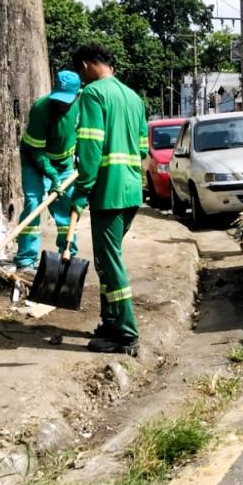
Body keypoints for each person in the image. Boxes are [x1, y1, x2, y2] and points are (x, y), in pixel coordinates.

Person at [70, 43, 150, 355]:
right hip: (131, 190)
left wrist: (82, 191)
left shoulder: (92, 94)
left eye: (80, 71)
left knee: (109, 261)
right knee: (108, 258)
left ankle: (126, 334)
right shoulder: (133, 97)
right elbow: (142, 147)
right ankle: (111, 321)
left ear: (87, 65)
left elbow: (90, 147)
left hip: (108, 192)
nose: (81, 78)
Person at [13, 70, 81, 275]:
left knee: (67, 207)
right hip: (35, 161)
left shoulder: (83, 104)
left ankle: (67, 255)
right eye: (59, 99)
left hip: (64, 163)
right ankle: (26, 260)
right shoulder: (41, 109)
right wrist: (52, 177)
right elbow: (36, 151)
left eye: (66, 101)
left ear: (77, 94)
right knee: (34, 203)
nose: (62, 104)